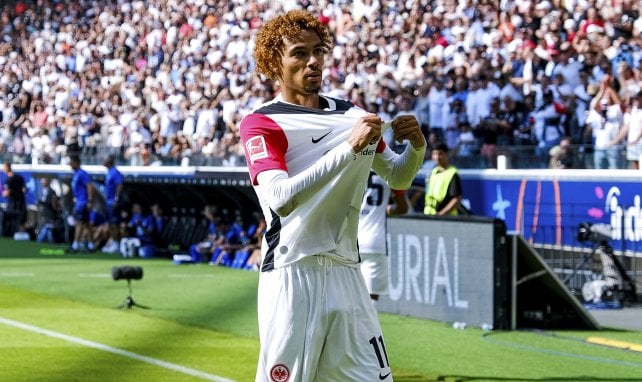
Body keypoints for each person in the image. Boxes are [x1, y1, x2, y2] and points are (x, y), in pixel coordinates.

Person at [239, 10, 426, 382]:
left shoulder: (351, 115)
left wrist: (416, 148)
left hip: (346, 270)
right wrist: (349, 149)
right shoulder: (262, 122)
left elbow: (398, 177)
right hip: (293, 273)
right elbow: (280, 198)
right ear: (274, 61)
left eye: (318, 51)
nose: (313, 61)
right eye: (299, 53)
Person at [358, 172, 410, 301]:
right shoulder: (389, 171)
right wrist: (386, 209)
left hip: (351, 241)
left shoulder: (353, 169)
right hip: (375, 241)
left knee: (351, 294)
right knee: (371, 296)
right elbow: (403, 208)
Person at [424, 143, 464, 216]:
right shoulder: (433, 172)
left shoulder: (452, 173)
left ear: (447, 154)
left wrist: (441, 214)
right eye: (434, 154)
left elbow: (456, 199)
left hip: (446, 219)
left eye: (440, 154)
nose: (437, 157)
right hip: (429, 215)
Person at [69, 155, 95, 252]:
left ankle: (75, 245)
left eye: (71, 162)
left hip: (83, 202)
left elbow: (89, 187)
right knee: (87, 224)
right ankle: (92, 245)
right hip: (80, 202)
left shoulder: (82, 174)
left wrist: (90, 201)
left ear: (76, 163)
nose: (70, 164)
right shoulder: (76, 174)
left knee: (79, 223)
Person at [101, 155, 124, 253]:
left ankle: (116, 244)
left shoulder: (115, 172)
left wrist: (116, 199)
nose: (103, 162)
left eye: (104, 160)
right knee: (110, 224)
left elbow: (120, 184)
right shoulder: (109, 172)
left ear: (109, 161)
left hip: (112, 202)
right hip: (108, 202)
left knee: (114, 224)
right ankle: (114, 243)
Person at [2, 161, 28, 238]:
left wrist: (3, 192)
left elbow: (6, 194)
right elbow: (25, 189)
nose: (3, 169)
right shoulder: (20, 178)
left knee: (11, 223)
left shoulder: (9, 180)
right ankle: (23, 238)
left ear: (7, 167)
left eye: (4, 167)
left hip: (12, 206)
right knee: (22, 222)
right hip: (21, 204)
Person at [36, 178, 64, 243]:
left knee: (48, 228)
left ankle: (43, 241)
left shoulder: (51, 191)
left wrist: (41, 203)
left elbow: (53, 204)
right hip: (45, 215)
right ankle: (47, 241)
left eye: (44, 180)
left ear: (48, 181)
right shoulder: (44, 191)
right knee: (47, 229)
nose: (42, 182)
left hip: (50, 215)